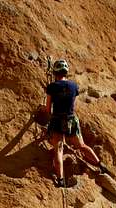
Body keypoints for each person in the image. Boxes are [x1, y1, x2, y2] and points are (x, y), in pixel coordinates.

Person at [44, 58, 109, 187]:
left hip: (57, 120)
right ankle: (100, 165)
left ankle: (61, 179)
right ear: (66, 72)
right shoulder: (73, 86)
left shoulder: (52, 87)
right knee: (81, 145)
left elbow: (47, 109)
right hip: (71, 120)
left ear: (55, 73)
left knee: (59, 149)